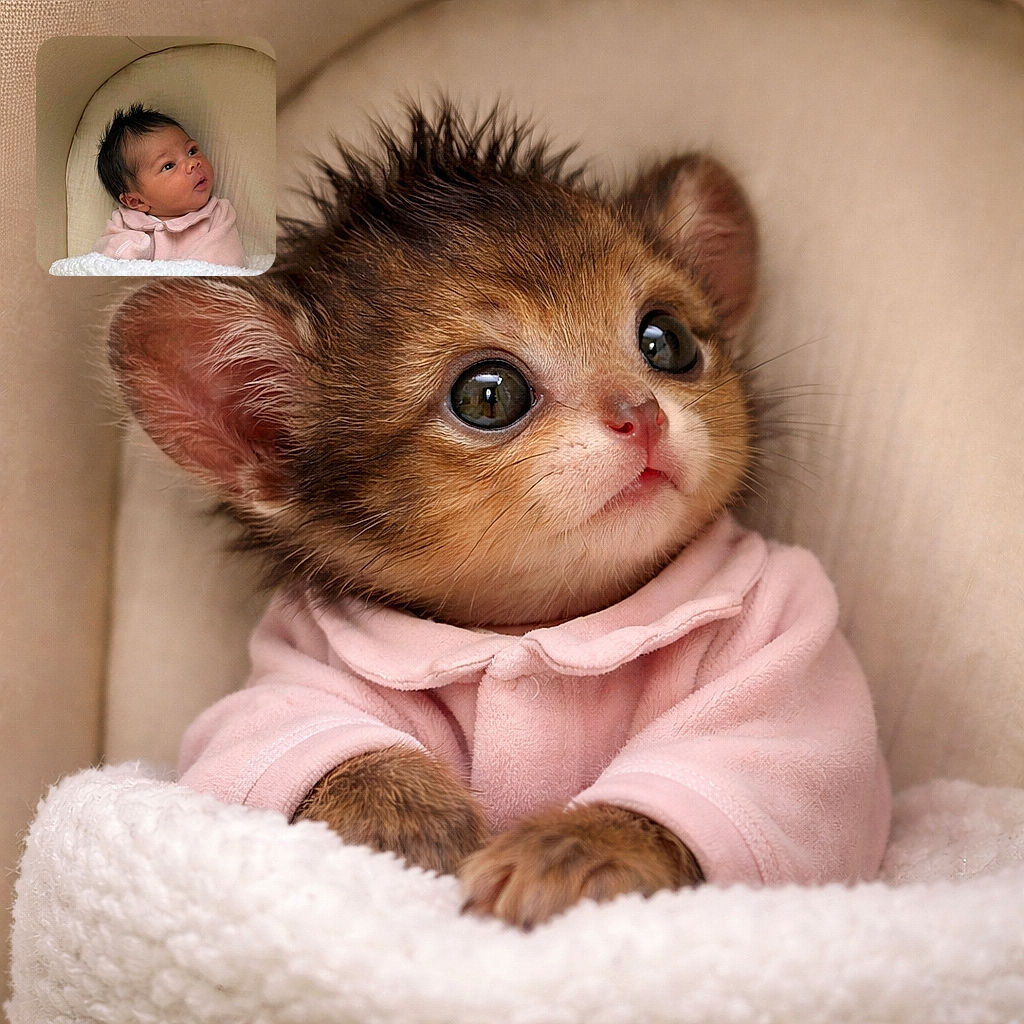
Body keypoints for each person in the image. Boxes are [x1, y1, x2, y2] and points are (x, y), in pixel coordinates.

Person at [93, 104, 246, 266]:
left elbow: (223, 263)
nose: (193, 163)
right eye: (169, 166)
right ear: (136, 201)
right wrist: (130, 248)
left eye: (192, 151)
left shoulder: (217, 214)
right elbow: (102, 260)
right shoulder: (126, 222)